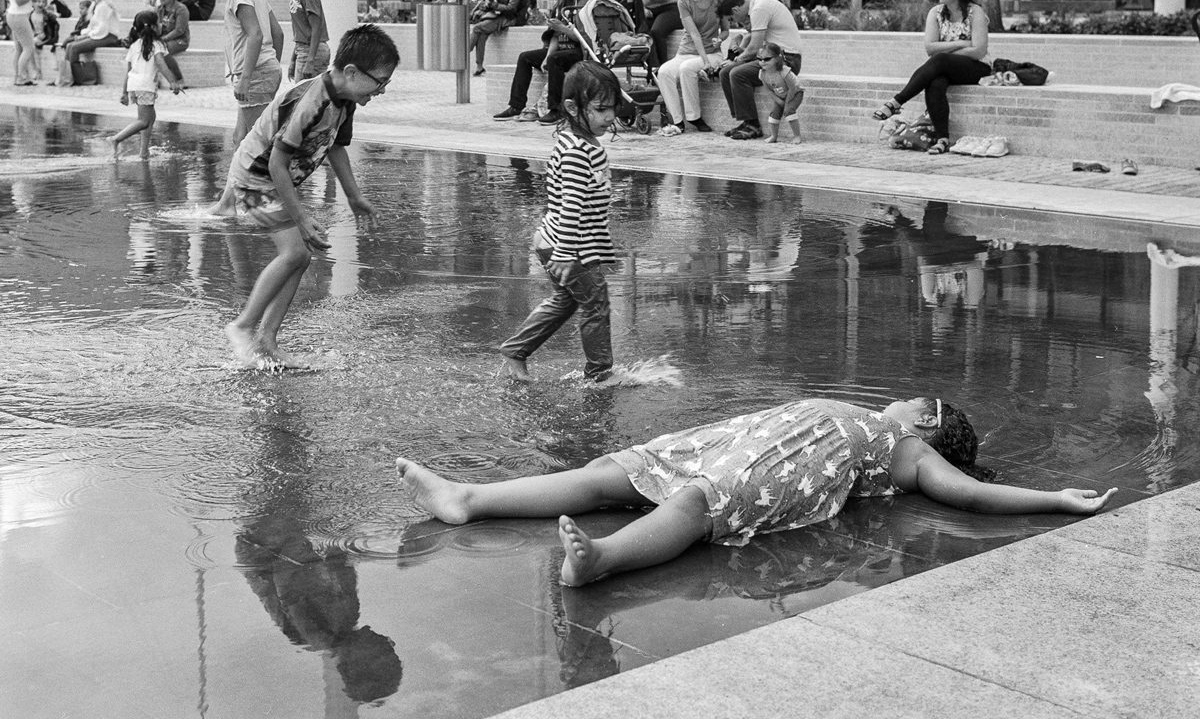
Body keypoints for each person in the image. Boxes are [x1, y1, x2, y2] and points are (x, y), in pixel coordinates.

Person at [396, 395, 1116, 588]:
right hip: (742, 437)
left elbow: (967, 495)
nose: (897, 403)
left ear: (927, 421)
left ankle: (604, 560)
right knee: (616, 473)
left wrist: (1053, 500)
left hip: (793, 468)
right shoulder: (883, 421)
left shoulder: (909, 449)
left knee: (698, 503)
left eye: (911, 401)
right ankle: (467, 498)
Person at [222, 23, 399, 370]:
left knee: (300, 258)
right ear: (350, 72)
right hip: (255, 177)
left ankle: (267, 341)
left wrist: (354, 196)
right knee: (294, 252)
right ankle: (242, 326)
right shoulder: (312, 100)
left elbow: (336, 149)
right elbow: (277, 162)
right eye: (380, 82)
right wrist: (301, 218)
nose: (382, 90)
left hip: (272, 179)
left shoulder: (345, 100)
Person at [499, 62, 620, 383]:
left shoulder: (580, 143)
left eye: (613, 107)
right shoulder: (577, 152)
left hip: (556, 241)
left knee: (566, 301)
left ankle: (517, 349)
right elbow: (570, 205)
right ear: (571, 107)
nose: (609, 116)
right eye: (601, 109)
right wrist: (566, 253)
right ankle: (600, 374)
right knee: (596, 305)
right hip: (570, 246)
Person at [872, 0, 990, 156]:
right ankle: (943, 139)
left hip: (976, 68)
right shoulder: (935, 13)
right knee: (935, 82)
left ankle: (896, 102)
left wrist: (945, 48)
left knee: (941, 59)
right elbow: (929, 49)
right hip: (947, 67)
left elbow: (978, 51)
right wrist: (962, 43)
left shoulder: (975, 12)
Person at [196, 0, 285, 146]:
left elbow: (256, 34)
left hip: (254, 74)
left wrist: (247, 76)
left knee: (260, 143)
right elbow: (278, 33)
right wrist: (271, 64)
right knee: (240, 138)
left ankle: (277, 176)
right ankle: (237, 178)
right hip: (261, 70)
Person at [493, 0, 595, 125]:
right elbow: (554, 34)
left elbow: (587, 38)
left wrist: (562, 29)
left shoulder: (587, 3)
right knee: (525, 57)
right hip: (561, 48)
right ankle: (515, 106)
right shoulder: (562, 0)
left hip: (580, 51)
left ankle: (556, 110)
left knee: (556, 60)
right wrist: (547, 56)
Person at [715, 0, 804, 140]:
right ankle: (745, 121)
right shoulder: (758, 6)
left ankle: (753, 126)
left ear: (736, 10)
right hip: (771, 58)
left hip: (786, 60)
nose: (734, 22)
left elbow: (755, 47)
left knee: (737, 73)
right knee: (724, 73)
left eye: (731, 18)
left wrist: (736, 61)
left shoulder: (759, 9)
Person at [656, 0, 724, 137]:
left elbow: (726, 30)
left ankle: (694, 117)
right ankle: (677, 121)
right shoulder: (684, 1)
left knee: (687, 68)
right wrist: (704, 62)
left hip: (712, 53)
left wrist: (720, 39)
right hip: (688, 51)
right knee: (664, 71)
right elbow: (694, 34)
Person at [109, 9, 185, 160]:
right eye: (159, 23)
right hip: (145, 87)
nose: (161, 25)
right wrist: (173, 82)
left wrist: (124, 93)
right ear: (154, 27)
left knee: (149, 117)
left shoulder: (135, 45)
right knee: (144, 121)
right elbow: (162, 65)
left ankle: (144, 152)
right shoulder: (157, 45)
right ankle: (116, 139)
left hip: (134, 86)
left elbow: (128, 71)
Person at [58, 0, 122, 85]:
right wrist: (83, 34)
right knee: (69, 45)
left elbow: (102, 29)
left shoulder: (103, 6)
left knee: (74, 47)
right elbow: (92, 27)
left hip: (108, 36)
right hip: (99, 35)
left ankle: (75, 78)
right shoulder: (95, 5)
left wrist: (86, 36)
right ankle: (66, 76)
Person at [469, 0, 524, 76]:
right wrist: (487, 5)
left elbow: (511, 8)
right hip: (497, 16)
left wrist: (494, 5)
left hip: (508, 18)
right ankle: (479, 67)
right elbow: (494, 4)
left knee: (477, 28)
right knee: (482, 35)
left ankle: (463, 54)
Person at [632, 0, 680, 68]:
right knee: (642, 32)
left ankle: (664, 66)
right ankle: (652, 66)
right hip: (654, 12)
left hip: (670, 9)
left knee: (657, 31)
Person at [756, 41, 804, 143]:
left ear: (777, 58)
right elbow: (769, 91)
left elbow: (793, 88)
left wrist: (786, 102)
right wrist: (779, 101)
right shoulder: (762, 74)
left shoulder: (784, 72)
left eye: (767, 59)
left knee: (788, 111)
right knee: (774, 113)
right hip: (780, 95)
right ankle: (774, 136)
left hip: (795, 93)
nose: (762, 62)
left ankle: (797, 136)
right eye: (759, 59)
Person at [7, 0, 42, 86]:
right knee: (29, 48)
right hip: (19, 16)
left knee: (19, 49)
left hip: (14, 16)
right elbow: (19, 0)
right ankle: (22, 77)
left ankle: (17, 76)